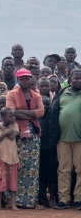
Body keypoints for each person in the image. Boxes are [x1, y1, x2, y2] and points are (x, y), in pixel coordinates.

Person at [6, 68, 44, 209]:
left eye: (27, 78)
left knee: (32, 169)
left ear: (31, 79)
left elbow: (40, 113)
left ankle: (30, 200)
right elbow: (11, 113)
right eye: (22, 79)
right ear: (17, 80)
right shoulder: (11, 94)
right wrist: (32, 114)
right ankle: (14, 200)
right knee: (17, 167)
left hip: (33, 136)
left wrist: (21, 112)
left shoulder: (36, 95)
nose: (25, 81)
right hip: (17, 135)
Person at [50, 68, 81, 209]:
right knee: (63, 170)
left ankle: (79, 199)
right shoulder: (62, 94)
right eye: (76, 78)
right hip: (62, 139)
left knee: (80, 170)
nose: (79, 80)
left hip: (80, 139)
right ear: (70, 80)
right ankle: (63, 199)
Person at [0, 107, 20, 211]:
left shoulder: (15, 125)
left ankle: (13, 204)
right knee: (0, 181)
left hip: (12, 158)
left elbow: (12, 137)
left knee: (13, 182)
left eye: (14, 115)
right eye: (11, 116)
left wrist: (3, 130)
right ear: (3, 117)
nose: (13, 117)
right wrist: (4, 133)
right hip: (1, 157)